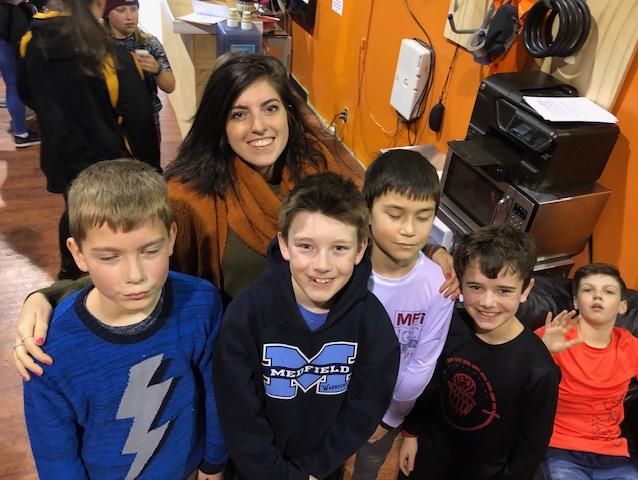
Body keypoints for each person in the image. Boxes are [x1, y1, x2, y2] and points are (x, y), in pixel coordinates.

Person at [12, 54, 456, 378]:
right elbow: (136, 262)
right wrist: (49, 297)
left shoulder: (316, 171)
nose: (259, 126)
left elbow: (371, 225)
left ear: (288, 112)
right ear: (219, 123)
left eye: (270, 108)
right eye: (239, 114)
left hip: (319, 358)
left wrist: (432, 250)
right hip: (238, 364)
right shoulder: (188, 197)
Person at [20, 159, 227, 480]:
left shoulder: (201, 303)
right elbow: (55, 454)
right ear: (78, 253)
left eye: (150, 251)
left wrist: (214, 464)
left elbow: (217, 394)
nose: (135, 275)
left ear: (171, 237)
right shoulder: (49, 350)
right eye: (110, 257)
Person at [213, 172, 400, 480]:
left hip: (322, 470)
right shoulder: (246, 315)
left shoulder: (372, 323)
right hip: (256, 472)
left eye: (339, 248)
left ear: (360, 250)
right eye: (306, 246)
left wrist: (314, 471)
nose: (322, 265)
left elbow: (364, 407)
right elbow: (238, 414)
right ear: (284, 244)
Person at [398, 224, 561, 480]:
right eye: (475, 287)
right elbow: (431, 383)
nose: (487, 302)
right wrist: (411, 433)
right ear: (460, 283)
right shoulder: (450, 324)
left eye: (503, 290)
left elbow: (532, 446)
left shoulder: (539, 370)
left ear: (526, 290)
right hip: (428, 456)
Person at [17, 0, 159, 280]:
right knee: (114, 219)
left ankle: (70, 271)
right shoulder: (110, 55)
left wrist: (56, 117)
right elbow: (140, 117)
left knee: (75, 209)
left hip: (60, 152)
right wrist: (151, 169)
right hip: (107, 160)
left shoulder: (31, 39)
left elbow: (25, 91)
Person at [351, 149, 455, 479]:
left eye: (423, 217)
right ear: (367, 211)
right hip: (332, 395)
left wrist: (391, 418)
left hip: (387, 408)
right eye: (395, 215)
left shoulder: (439, 285)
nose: (409, 229)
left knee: (369, 464)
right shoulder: (344, 267)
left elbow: (423, 362)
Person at [537, 263, 638, 479]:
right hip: (559, 448)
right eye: (588, 290)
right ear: (576, 302)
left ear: (622, 306)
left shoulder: (630, 346)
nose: (598, 296)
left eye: (608, 291)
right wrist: (543, 351)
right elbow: (513, 383)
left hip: (612, 453)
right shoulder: (553, 335)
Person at [102, 0, 175, 134]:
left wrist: (157, 70)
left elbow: (170, 86)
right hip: (108, 122)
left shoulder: (148, 43)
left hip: (146, 122)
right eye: (121, 10)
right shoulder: (97, 46)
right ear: (107, 14)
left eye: (134, 9)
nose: (129, 17)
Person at [0, 0, 40, 147]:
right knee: (14, 85)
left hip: (7, 32)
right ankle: (21, 134)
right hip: (7, 34)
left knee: (13, 84)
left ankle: (21, 131)